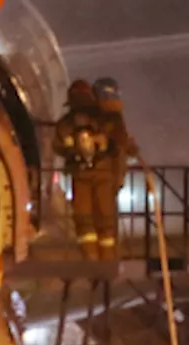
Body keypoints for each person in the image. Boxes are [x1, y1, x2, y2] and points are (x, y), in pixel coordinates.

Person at [53, 79, 132, 261]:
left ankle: (93, 261)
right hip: (102, 174)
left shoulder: (66, 123)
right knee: (104, 221)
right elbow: (118, 142)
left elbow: (57, 146)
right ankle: (105, 263)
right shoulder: (104, 118)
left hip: (82, 175)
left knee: (85, 220)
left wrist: (71, 152)